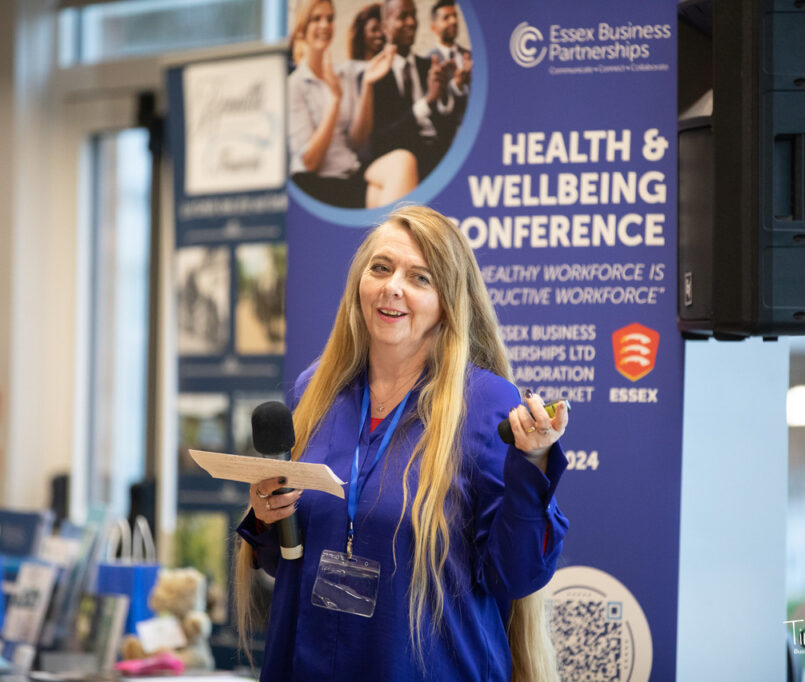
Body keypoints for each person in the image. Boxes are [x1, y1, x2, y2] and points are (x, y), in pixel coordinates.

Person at [235, 205, 570, 681]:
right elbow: (284, 561)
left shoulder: (487, 403)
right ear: (359, 284)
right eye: (381, 268)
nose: (393, 286)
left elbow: (513, 575)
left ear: (448, 303)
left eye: (420, 278)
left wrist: (532, 462)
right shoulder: (318, 389)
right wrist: (268, 519)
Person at [288, 0, 417, 208]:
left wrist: (367, 86)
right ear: (302, 27)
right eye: (316, 19)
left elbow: (358, 141)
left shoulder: (343, 73)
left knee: (404, 161)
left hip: (352, 172)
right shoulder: (295, 85)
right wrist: (335, 100)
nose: (325, 25)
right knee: (387, 203)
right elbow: (310, 162)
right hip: (320, 184)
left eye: (329, 19)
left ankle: (393, 240)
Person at [369, 0, 458, 181]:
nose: (411, 22)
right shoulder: (374, 75)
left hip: (444, 161)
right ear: (385, 26)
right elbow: (380, 140)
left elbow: (448, 126)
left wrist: (445, 95)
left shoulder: (428, 67)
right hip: (403, 169)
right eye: (403, 16)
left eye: (413, 15)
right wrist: (426, 103)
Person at [427, 0, 471, 126]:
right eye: (446, 18)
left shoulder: (472, 57)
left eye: (455, 16)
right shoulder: (428, 62)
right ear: (434, 28)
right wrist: (456, 86)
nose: (453, 21)